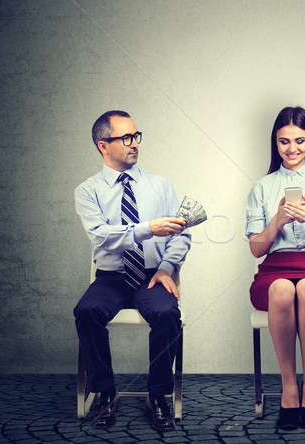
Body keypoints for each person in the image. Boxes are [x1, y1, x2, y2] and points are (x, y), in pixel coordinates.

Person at [74, 110, 191, 432]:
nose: (134, 144)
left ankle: (157, 396)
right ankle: (104, 392)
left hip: (152, 274)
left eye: (136, 136)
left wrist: (167, 267)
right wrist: (147, 228)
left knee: (168, 313)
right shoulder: (88, 191)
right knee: (86, 311)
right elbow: (100, 236)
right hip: (111, 277)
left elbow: (182, 234)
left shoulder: (159, 184)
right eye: (126, 138)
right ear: (103, 145)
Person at [245, 106, 305, 430]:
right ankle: (290, 386)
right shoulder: (261, 187)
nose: (292, 149)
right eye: (284, 142)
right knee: (283, 289)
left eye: (299, 141)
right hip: (274, 269)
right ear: (275, 144)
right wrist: (278, 219)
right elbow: (256, 249)